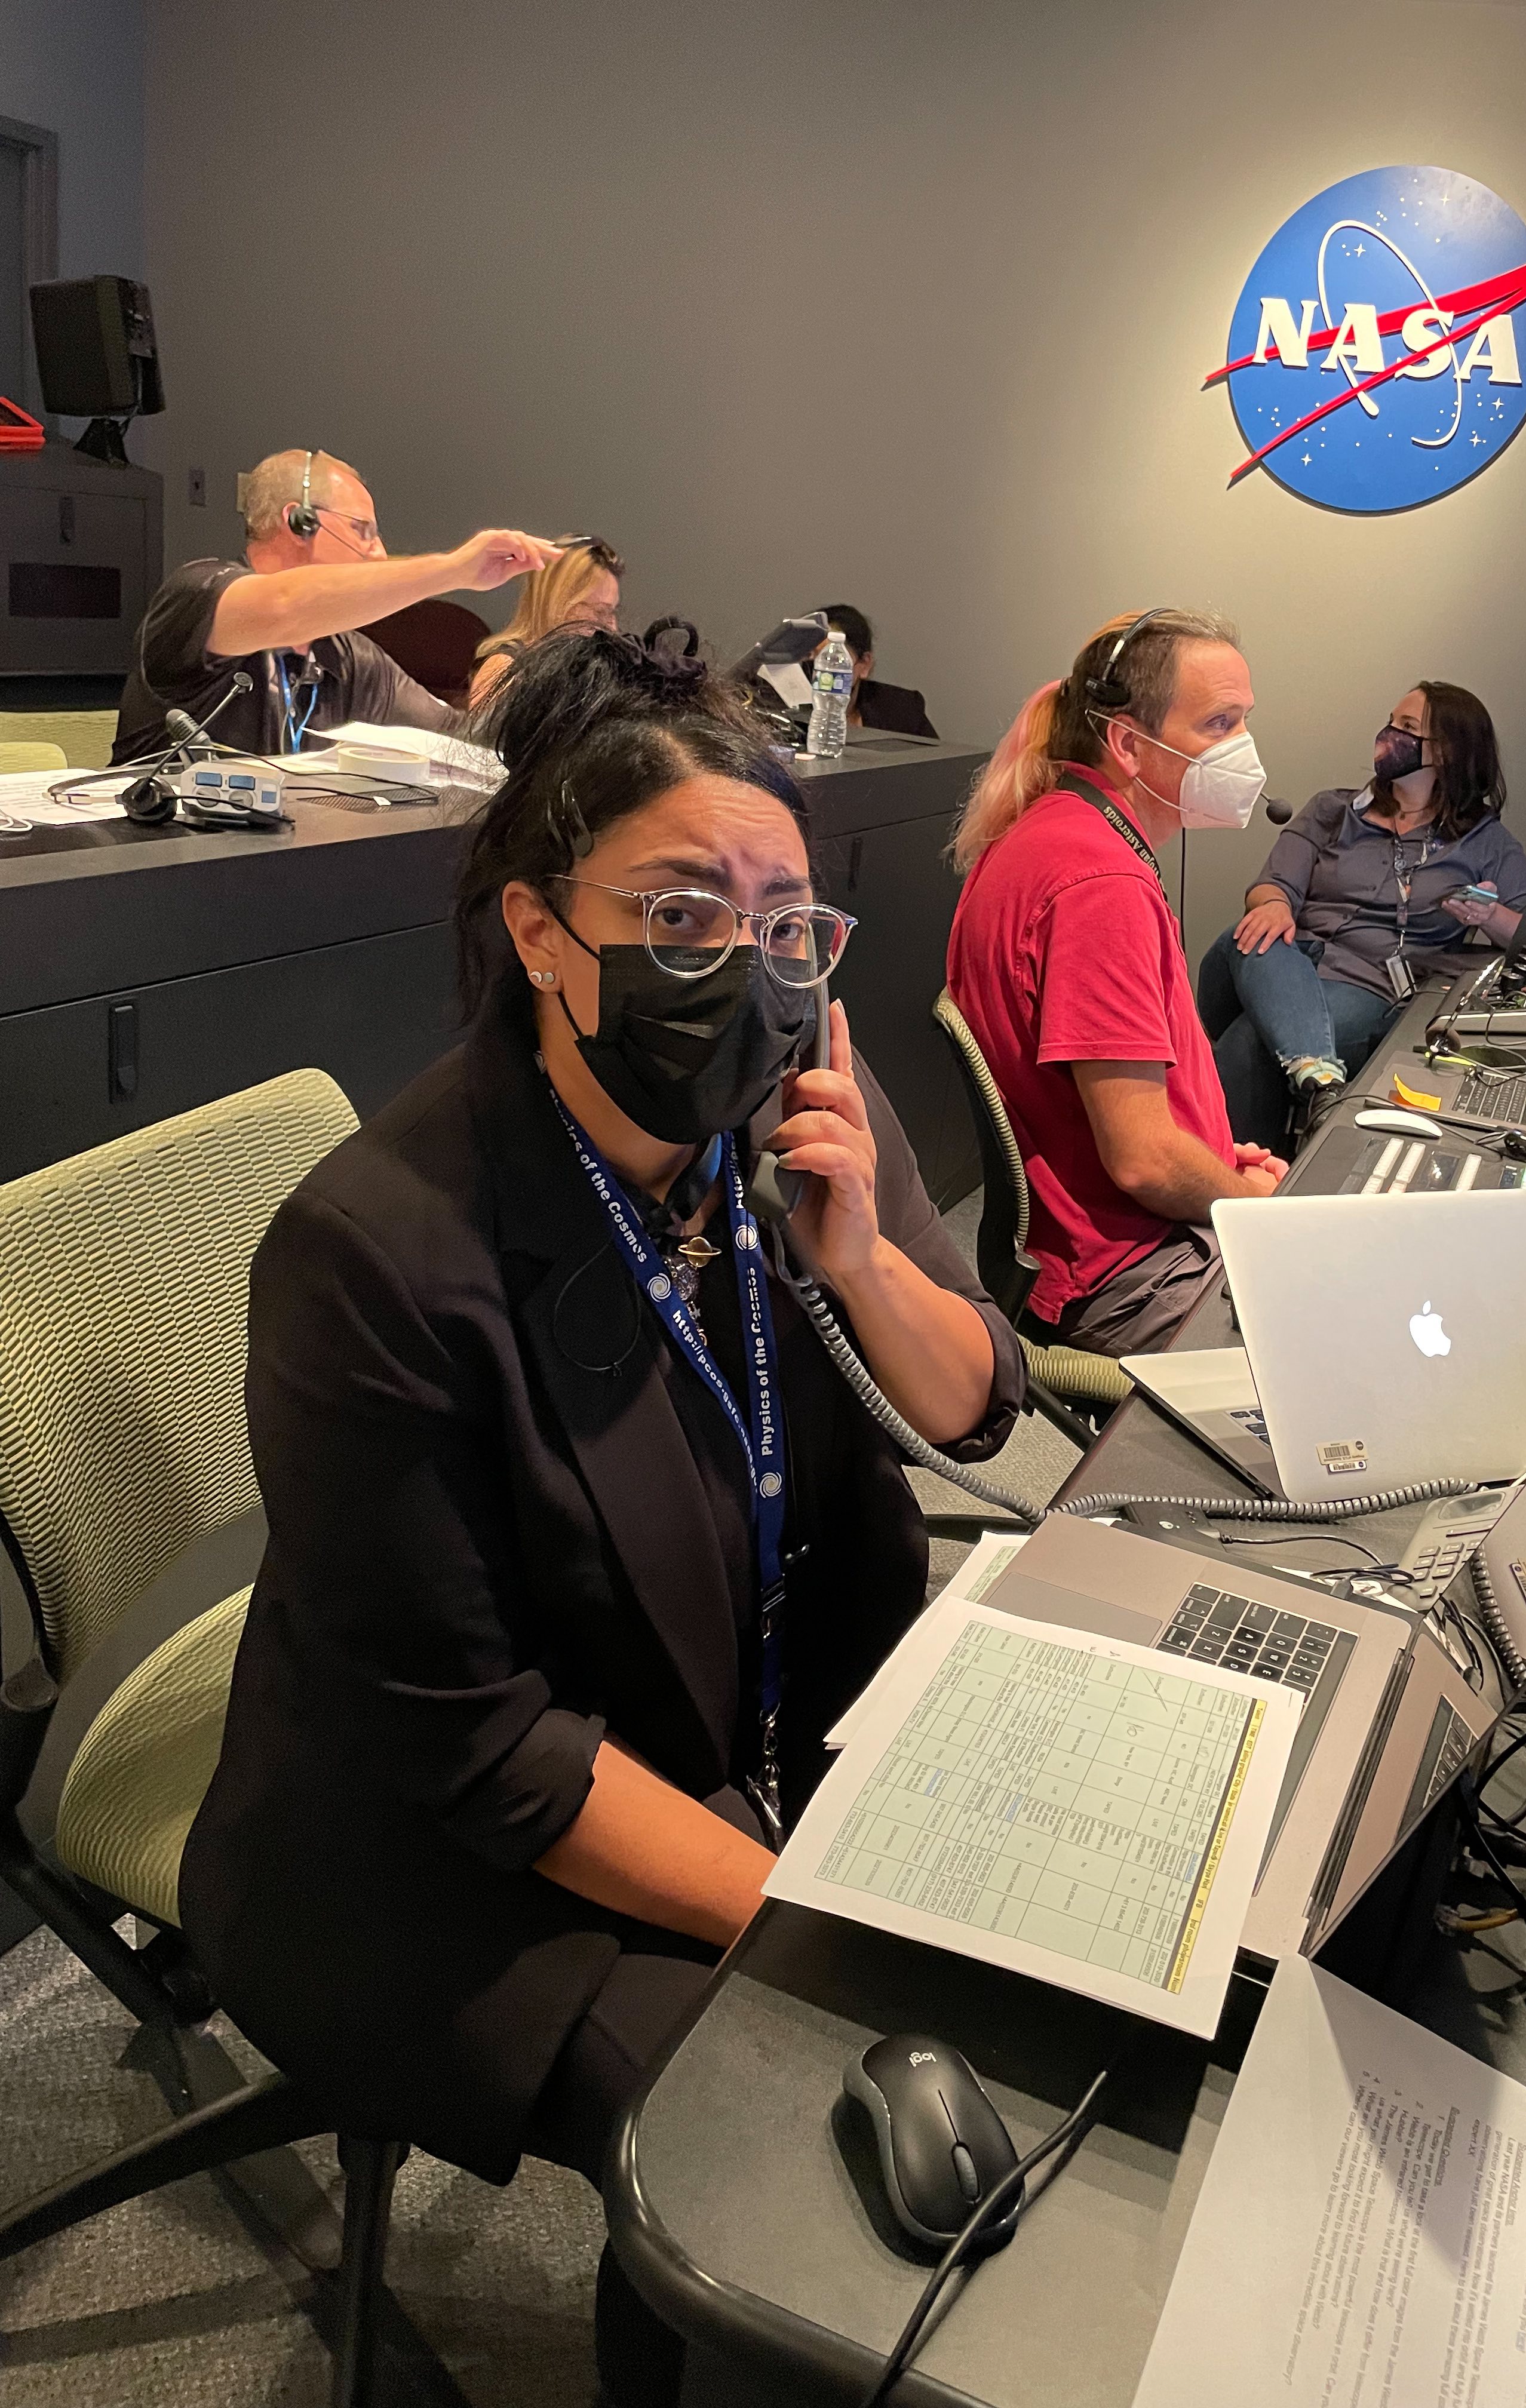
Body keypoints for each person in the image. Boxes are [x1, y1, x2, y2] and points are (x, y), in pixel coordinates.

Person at [178, 629, 1023, 2403]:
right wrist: (821, 1924)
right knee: (776, 2157)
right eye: (681, 915)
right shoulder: (378, 1253)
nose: (745, 966)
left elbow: (974, 1404)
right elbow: (488, 1756)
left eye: (784, 922)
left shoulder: (800, 1108)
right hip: (450, 1858)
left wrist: (858, 1259)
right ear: (541, 934)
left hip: (737, 1724)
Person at [946, 608, 1284, 1360]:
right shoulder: (1100, 883)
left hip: (1107, 1245)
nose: (1245, 751)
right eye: (1219, 724)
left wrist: (1220, 1163)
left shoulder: (1050, 829)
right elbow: (1143, 1159)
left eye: (1244, 721)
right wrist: (1248, 1205)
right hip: (1131, 1274)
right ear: (1130, 744)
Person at [1197, 681, 1526, 1151]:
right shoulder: (1331, 810)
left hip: (1368, 984)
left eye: (1409, 728)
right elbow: (1273, 887)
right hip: (1279, 959)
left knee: (1250, 1042)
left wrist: (1489, 914)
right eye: (1392, 721)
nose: (1389, 734)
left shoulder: (1484, 842)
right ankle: (1319, 1075)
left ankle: (1242, 1178)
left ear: (1450, 752)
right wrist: (1273, 903)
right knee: (1251, 934)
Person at [112, 448, 559, 761]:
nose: (379, 552)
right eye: (363, 530)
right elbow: (286, 606)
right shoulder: (195, 594)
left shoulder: (347, 658)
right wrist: (455, 570)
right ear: (299, 521)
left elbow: (461, 740)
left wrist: (559, 693)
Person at [466, 533, 626, 708]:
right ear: (556, 604)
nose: (612, 628)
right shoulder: (504, 670)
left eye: (612, 612)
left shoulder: (602, 672)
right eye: (599, 612)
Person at [815, 603, 938, 738]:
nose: (822, 673)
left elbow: (941, 758)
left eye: (833, 661)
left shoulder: (903, 708)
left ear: (864, 665)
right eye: (812, 661)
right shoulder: (793, 715)